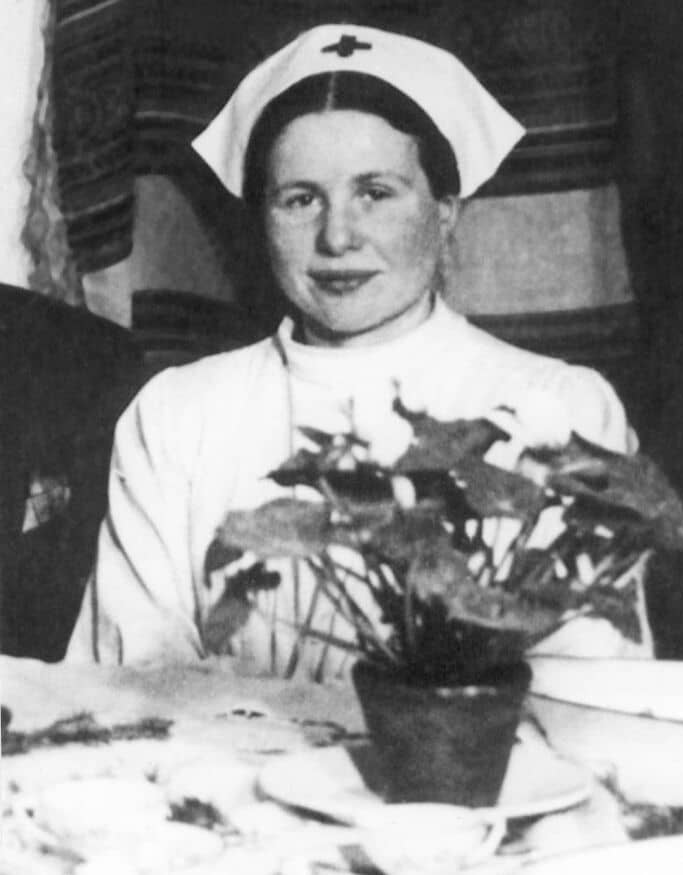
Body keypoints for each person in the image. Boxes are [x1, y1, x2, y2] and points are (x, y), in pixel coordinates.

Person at [66, 25, 641, 675]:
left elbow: (587, 690)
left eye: (375, 193)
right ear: (262, 219)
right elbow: (131, 684)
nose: (337, 237)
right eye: (300, 199)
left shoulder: (560, 409)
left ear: (445, 211)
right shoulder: (177, 413)